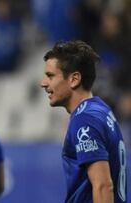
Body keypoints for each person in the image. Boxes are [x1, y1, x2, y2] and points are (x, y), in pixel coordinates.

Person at [40, 40, 127, 203]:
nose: (43, 83)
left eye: (50, 76)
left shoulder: (85, 119)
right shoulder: (100, 109)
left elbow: (103, 186)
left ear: (74, 79)